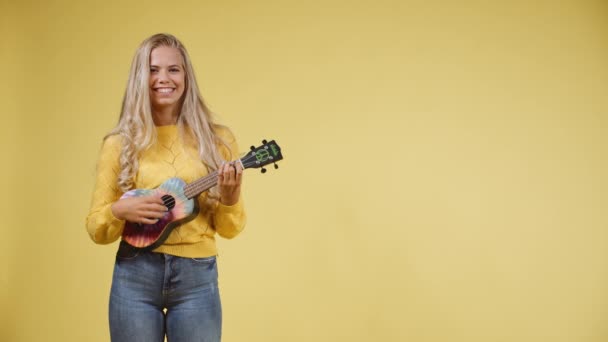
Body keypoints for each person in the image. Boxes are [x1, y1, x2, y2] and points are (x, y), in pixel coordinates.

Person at [86, 33, 246, 342]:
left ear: (186, 77)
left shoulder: (219, 140)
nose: (164, 78)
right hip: (134, 274)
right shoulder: (118, 144)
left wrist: (231, 197)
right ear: (140, 77)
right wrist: (120, 210)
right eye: (153, 69)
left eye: (174, 69)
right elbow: (96, 227)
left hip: (197, 277)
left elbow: (230, 229)